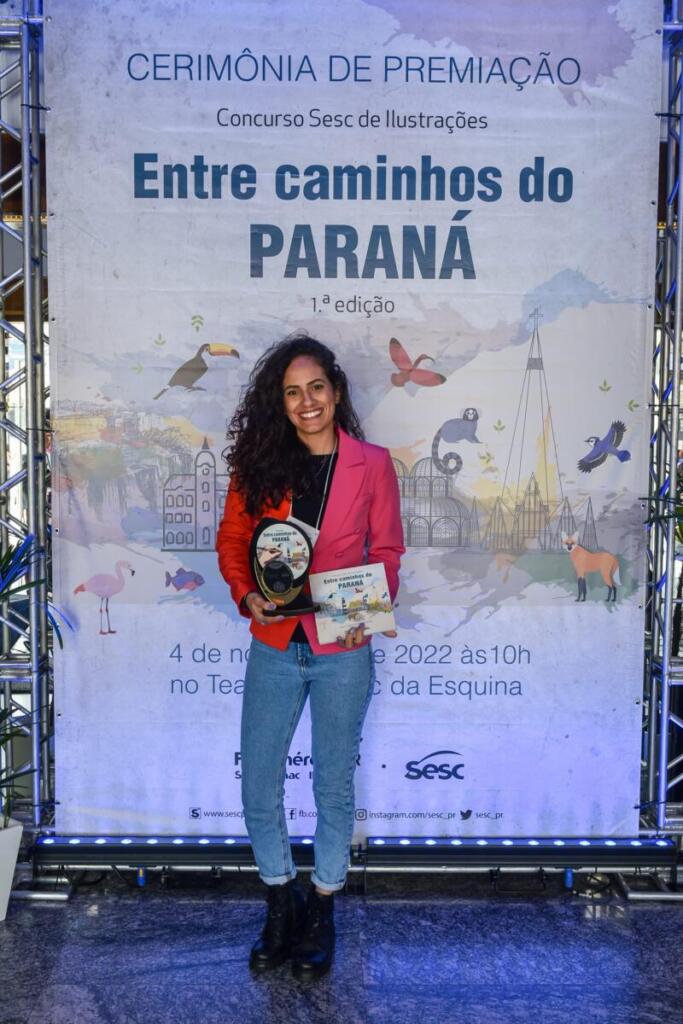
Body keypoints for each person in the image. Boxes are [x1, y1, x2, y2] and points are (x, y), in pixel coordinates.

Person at [216, 334, 404, 978]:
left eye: (316, 387)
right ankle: (280, 900)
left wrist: (364, 616)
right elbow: (234, 539)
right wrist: (246, 594)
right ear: (280, 402)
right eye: (292, 392)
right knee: (257, 781)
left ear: (336, 391)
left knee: (332, 784)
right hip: (274, 645)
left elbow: (387, 552)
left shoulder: (372, 464)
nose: (306, 402)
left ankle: (322, 907)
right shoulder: (260, 464)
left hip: (343, 649)